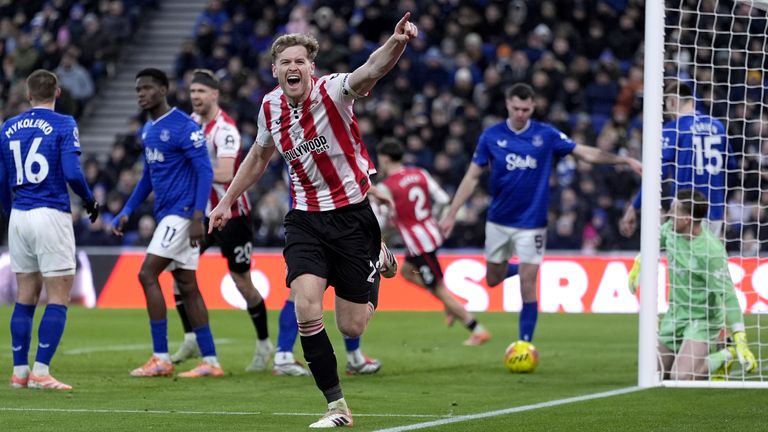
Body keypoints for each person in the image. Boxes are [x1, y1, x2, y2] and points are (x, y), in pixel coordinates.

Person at [208, 14, 416, 428]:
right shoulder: (269, 106)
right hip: (305, 219)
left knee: (351, 324)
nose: (293, 68)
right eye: (285, 62)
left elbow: (372, 67)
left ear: (312, 67)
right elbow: (258, 157)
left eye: (300, 61)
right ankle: (337, 407)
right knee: (306, 308)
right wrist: (227, 201)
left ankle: (379, 257)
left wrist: (397, 42)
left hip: (354, 217)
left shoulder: (334, 91)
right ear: (275, 70)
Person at [439, 83, 642, 345]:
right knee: (492, 279)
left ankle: (524, 344)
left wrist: (624, 160)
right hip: (499, 221)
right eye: (516, 108)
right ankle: (516, 269)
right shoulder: (492, 136)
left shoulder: (545, 135)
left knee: (528, 282)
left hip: (532, 223)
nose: (521, 113)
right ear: (508, 105)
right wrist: (452, 213)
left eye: (526, 109)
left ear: (533, 106)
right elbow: (472, 176)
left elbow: (585, 153)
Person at [111, 68, 222, 378]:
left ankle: (161, 357)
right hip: (170, 213)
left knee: (147, 274)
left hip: (183, 213)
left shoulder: (184, 127)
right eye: (138, 89)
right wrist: (127, 209)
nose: (141, 94)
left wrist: (198, 215)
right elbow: (148, 176)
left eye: (146, 88)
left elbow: (205, 172)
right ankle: (211, 361)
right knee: (187, 286)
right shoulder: (149, 130)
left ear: (163, 90)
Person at [0, 69, 99, 390]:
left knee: (25, 297)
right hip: (50, 213)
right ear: (57, 92)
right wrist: (88, 199)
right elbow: (72, 171)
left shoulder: (8, 127)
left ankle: (19, 372)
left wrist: (9, 211)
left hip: (19, 215)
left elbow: (1, 180)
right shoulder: (64, 123)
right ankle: (41, 371)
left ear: (28, 95)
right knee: (58, 296)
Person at [169, 69, 274, 372]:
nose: (196, 97)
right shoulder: (190, 123)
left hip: (232, 215)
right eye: (192, 93)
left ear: (214, 95)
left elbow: (227, 173)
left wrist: (188, 170)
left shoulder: (225, 129)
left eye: (201, 92)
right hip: (199, 216)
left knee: (242, 281)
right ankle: (191, 338)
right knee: (180, 272)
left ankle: (264, 343)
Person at [627, 189, 757, 380]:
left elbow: (728, 296)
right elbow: (653, 241)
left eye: (674, 210)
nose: (669, 214)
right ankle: (703, 362)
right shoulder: (671, 229)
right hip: (676, 314)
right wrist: (639, 264)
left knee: (681, 378)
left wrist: (740, 338)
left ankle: (726, 354)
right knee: (653, 374)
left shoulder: (711, 251)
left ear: (687, 219)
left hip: (702, 319)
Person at [376, 138, 491, 346]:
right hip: (429, 235)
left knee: (438, 288)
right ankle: (448, 304)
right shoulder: (420, 173)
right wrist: (430, 220)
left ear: (384, 158)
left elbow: (382, 220)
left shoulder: (386, 187)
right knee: (407, 272)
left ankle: (476, 328)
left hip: (419, 243)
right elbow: (443, 200)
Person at [620, 81, 734, 238]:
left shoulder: (673, 129)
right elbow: (732, 169)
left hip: (685, 215)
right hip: (714, 213)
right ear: (692, 101)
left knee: (682, 262)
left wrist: (634, 206)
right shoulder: (718, 126)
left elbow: (657, 175)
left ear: (671, 102)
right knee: (705, 262)